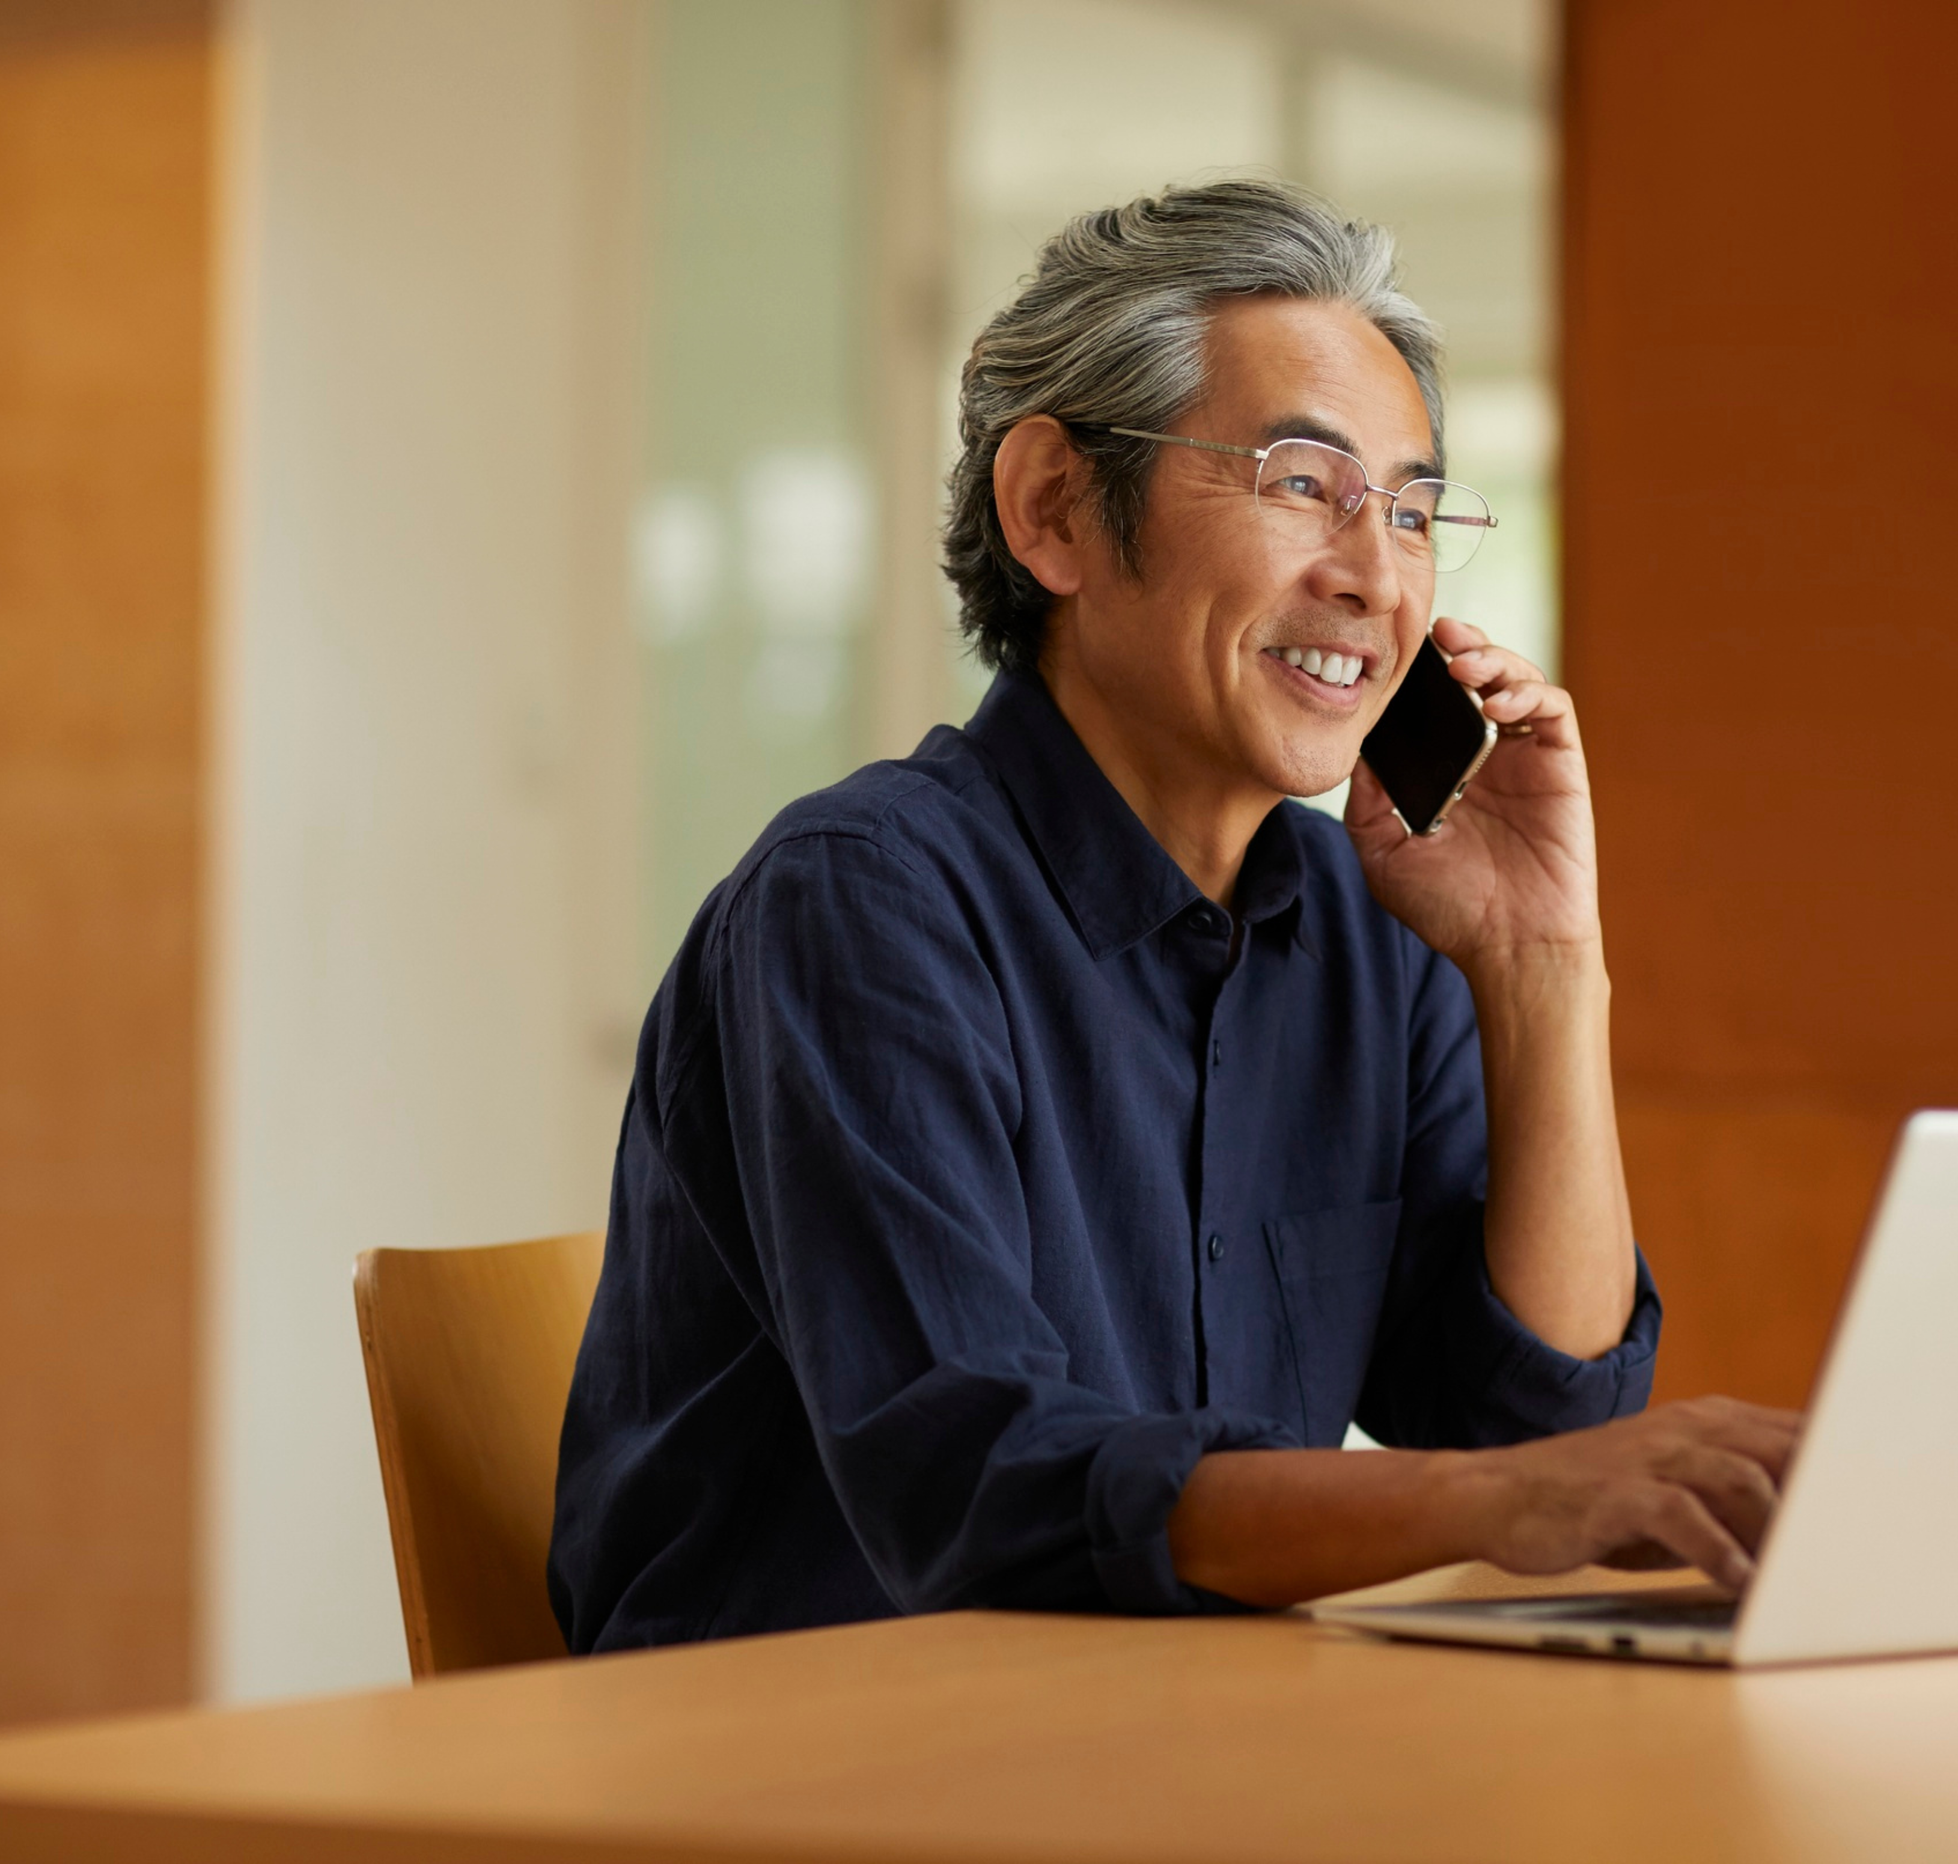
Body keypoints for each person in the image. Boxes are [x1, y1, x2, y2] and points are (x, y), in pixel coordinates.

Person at [549, 180, 1798, 1653]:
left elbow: (1534, 1409)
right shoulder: (861, 901)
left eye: (1408, 508)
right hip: (800, 1767)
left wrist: (1542, 970)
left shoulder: (1365, 925)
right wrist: (1495, 1501)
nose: (1374, 576)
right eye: (1301, 482)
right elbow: (978, 1489)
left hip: (1168, 1739)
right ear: (1055, 509)